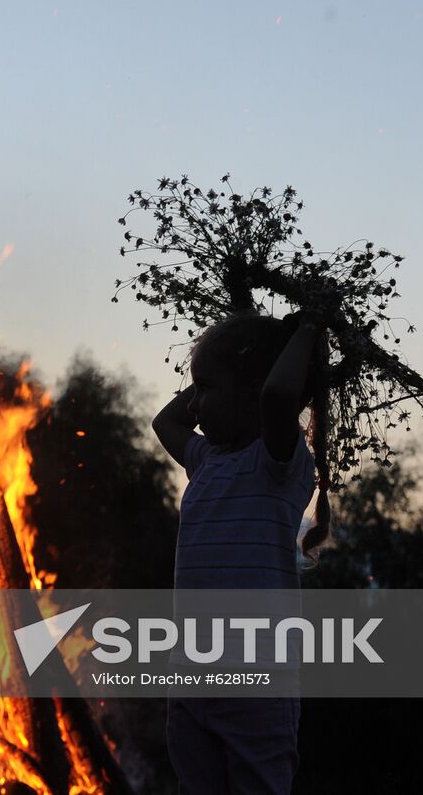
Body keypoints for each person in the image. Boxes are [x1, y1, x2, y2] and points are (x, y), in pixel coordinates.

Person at [151, 310, 333, 795]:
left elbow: (276, 396)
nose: (195, 405)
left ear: (253, 389)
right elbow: (164, 420)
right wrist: (222, 369)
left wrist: (305, 330)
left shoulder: (278, 463)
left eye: (205, 389)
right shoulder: (206, 459)